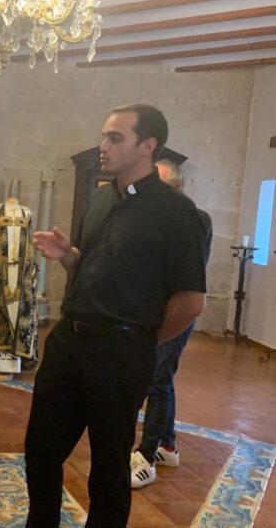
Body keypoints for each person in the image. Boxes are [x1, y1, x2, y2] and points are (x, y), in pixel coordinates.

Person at [25, 104, 207, 527]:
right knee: (41, 451)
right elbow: (88, 264)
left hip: (122, 353)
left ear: (147, 146)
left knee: (108, 469)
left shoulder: (179, 215)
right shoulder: (101, 197)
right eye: (104, 135)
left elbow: (190, 300)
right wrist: (66, 255)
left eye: (115, 138)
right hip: (69, 344)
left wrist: (141, 340)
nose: (103, 145)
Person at [130, 159, 213, 488]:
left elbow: (183, 278)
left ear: (177, 189)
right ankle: (168, 445)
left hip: (176, 311)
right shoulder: (152, 217)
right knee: (160, 377)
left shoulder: (195, 219)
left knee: (158, 378)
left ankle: (146, 457)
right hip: (149, 310)